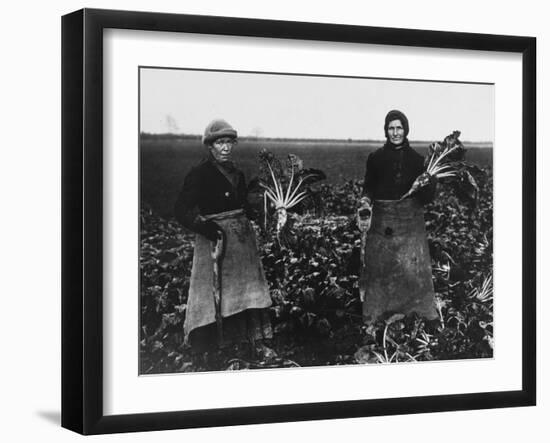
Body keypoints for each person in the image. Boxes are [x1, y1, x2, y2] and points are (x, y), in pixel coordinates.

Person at [174, 119, 274, 360]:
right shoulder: (199, 174)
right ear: (210, 146)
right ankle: (215, 346)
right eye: (220, 142)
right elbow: (181, 209)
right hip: (215, 242)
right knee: (216, 294)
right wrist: (205, 226)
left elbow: (243, 206)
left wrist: (263, 212)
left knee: (245, 293)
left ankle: (250, 343)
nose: (226, 147)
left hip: (241, 243)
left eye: (229, 142)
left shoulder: (237, 174)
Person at [358, 109, 439, 324]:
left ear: (406, 130)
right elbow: (369, 187)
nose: (395, 133)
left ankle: (417, 314)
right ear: (386, 131)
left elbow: (426, 198)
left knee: (412, 271)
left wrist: (431, 184)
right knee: (381, 270)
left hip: (410, 224)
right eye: (391, 128)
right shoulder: (376, 158)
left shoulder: (418, 161)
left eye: (399, 128)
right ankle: (378, 315)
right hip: (383, 223)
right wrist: (365, 201)